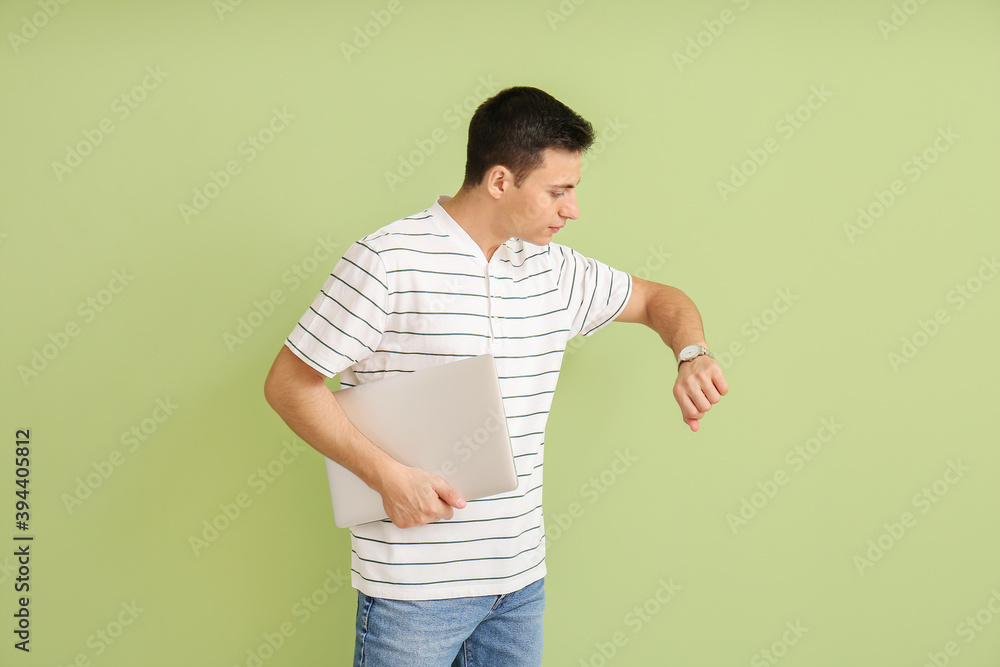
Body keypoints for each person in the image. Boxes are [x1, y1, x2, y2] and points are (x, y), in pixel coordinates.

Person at [263, 86, 729, 667]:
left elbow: (662, 298)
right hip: (415, 591)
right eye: (558, 191)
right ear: (502, 181)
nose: (572, 209)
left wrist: (692, 352)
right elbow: (288, 384)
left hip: (519, 584)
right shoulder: (388, 260)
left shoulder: (553, 269)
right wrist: (386, 476)